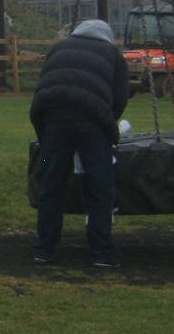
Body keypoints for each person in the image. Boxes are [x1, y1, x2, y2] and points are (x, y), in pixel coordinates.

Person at [29, 18, 129, 269]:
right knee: (100, 185)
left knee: (51, 183)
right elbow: (119, 98)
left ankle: (44, 250)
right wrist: (109, 126)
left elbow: (44, 85)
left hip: (52, 121)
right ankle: (101, 253)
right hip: (92, 124)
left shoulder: (58, 48)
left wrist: (43, 135)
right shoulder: (112, 54)